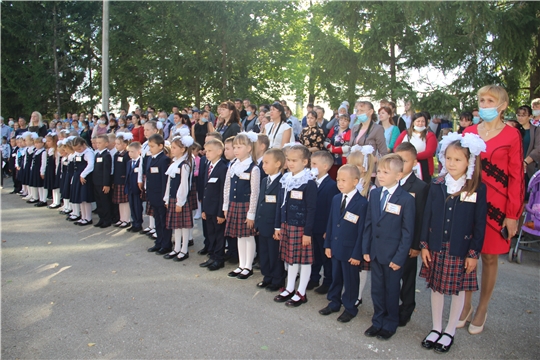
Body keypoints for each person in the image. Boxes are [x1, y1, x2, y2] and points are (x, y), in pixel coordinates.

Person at [461, 85, 524, 335]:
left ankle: (482, 307)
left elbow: (517, 176)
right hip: (468, 200)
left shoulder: (512, 136)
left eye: (490, 100)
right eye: (482, 100)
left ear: (503, 105)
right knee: (466, 252)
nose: (485, 105)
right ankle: (465, 304)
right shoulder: (468, 132)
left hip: (497, 206)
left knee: (488, 256)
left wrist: (513, 214)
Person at [420, 132, 487, 353]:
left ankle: (450, 330)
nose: (452, 163)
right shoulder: (437, 184)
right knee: (436, 288)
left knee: (457, 290)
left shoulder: (476, 187)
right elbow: (427, 216)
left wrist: (474, 253)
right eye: (448, 158)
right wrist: (424, 245)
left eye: (458, 159)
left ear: (469, 161)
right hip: (437, 247)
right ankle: (436, 327)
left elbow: (479, 224)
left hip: (461, 248)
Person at [362, 154, 415, 340]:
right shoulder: (375, 193)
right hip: (376, 252)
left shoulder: (406, 199)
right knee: (376, 289)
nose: (380, 175)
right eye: (379, 171)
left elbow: (407, 232)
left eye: (386, 172)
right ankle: (377, 320)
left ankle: (390, 322)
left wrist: (399, 257)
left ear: (398, 176)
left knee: (392, 290)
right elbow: (368, 223)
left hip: (393, 256)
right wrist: (366, 248)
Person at [320, 164, 368, 322]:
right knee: (336, 277)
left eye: (344, 180)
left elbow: (362, 231)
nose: (339, 183)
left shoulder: (362, 203)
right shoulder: (336, 198)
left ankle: (350, 307)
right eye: (338, 180)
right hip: (335, 247)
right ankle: (334, 302)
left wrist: (357, 254)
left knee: (350, 280)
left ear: (355, 181)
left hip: (350, 251)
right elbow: (331, 223)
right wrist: (327, 244)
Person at [273, 145, 317, 307]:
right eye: (288, 160)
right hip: (286, 225)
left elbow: (312, 209)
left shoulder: (308, 182)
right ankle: (290, 287)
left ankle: (302, 292)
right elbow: (280, 204)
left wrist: (307, 232)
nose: (290, 163)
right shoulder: (286, 179)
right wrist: (278, 226)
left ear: (305, 162)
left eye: (294, 160)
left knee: (304, 261)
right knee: (291, 259)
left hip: (301, 228)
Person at [394, 142, 429, 327]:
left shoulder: (421, 187)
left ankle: (406, 307)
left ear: (415, 163)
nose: (400, 164)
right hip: (390, 239)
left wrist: (416, 245)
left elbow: (421, 217)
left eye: (405, 161)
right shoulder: (388, 180)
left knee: (407, 277)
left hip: (408, 243)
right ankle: (390, 306)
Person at [223, 132, 261, 279]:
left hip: (246, 207)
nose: (236, 150)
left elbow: (255, 193)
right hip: (234, 204)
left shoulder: (254, 168)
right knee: (239, 236)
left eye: (240, 146)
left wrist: (251, 213)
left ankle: (248, 266)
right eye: (235, 147)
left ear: (249, 148)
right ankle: (241, 264)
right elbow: (227, 186)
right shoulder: (232, 165)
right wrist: (225, 206)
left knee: (248, 236)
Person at [308, 151, 340, 294]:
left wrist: (329, 230)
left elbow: (331, 210)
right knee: (313, 254)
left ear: (325, 166)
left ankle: (328, 281)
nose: (311, 166)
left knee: (325, 256)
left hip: (323, 227)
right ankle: (314, 277)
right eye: (311, 163)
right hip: (312, 225)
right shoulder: (311, 182)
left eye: (314, 164)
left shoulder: (331, 186)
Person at [255, 148, 286, 291]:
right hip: (263, 223)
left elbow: (281, 207)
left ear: (278, 163)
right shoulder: (264, 180)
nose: (263, 166)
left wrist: (278, 227)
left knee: (274, 254)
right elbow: (260, 201)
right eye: (263, 163)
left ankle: (277, 279)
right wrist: (257, 221)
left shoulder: (283, 182)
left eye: (267, 162)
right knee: (264, 253)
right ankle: (267, 276)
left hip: (273, 225)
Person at [162, 132, 195, 262]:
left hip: (180, 199)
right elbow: (169, 182)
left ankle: (184, 250)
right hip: (172, 198)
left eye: (175, 147)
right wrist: (166, 198)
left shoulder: (185, 164)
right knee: (176, 225)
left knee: (184, 226)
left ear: (183, 149)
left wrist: (180, 202)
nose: (172, 149)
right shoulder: (174, 163)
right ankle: (176, 248)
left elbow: (184, 184)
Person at [199, 138, 228, 270]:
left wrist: (221, 212)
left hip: (217, 210)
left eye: (210, 151)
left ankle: (219, 258)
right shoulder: (208, 166)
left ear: (219, 151)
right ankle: (212, 256)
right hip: (208, 208)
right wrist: (204, 209)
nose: (207, 153)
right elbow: (206, 189)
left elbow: (223, 192)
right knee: (210, 234)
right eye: (206, 151)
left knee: (219, 235)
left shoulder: (223, 168)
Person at [146, 133, 173, 254]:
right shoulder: (150, 159)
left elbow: (164, 181)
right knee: (157, 219)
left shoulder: (164, 160)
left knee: (164, 221)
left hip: (161, 196)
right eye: (149, 146)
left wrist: (164, 198)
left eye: (152, 146)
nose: (150, 148)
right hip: (153, 194)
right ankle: (159, 242)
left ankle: (166, 244)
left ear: (161, 146)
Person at [393, 112, 437, 182]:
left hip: (423, 166)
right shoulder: (405, 133)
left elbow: (429, 152)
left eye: (423, 121)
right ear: (413, 122)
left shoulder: (430, 135)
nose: (420, 123)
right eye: (418, 121)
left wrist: (411, 157)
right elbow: (396, 147)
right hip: (404, 164)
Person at [137, 120, 161, 237]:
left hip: (156, 178)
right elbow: (141, 163)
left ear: (155, 130)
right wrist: (140, 178)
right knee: (150, 203)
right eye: (144, 129)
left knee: (156, 204)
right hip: (148, 177)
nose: (145, 132)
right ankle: (151, 226)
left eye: (147, 129)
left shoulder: (162, 143)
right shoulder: (145, 145)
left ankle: (157, 227)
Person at [70, 137, 95, 226]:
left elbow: (91, 165)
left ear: (84, 145)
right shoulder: (77, 153)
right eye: (76, 149)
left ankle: (88, 218)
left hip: (85, 178)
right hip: (78, 177)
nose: (78, 151)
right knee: (80, 199)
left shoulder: (88, 152)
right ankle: (83, 217)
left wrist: (83, 174)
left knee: (85, 198)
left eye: (79, 149)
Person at [112, 133, 132, 228]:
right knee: (120, 201)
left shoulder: (126, 155)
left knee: (125, 201)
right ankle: (121, 218)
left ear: (124, 145)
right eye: (115, 144)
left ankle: (127, 219)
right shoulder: (116, 154)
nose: (116, 146)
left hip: (124, 180)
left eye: (118, 144)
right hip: (117, 180)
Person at [92, 135, 113, 228]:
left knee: (105, 202)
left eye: (100, 143)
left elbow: (106, 171)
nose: (98, 144)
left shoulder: (106, 155)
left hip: (103, 183)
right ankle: (101, 218)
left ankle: (107, 219)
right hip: (96, 182)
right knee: (99, 202)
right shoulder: (97, 154)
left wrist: (106, 184)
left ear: (106, 143)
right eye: (97, 143)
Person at [325, 114, 352, 180]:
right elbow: (327, 140)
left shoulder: (349, 131)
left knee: (341, 176)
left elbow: (347, 146)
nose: (342, 122)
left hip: (342, 158)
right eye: (341, 120)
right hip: (331, 157)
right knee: (331, 175)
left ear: (349, 122)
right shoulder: (334, 128)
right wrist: (329, 147)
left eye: (345, 121)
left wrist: (334, 149)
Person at [125, 142, 143, 233]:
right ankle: (134, 222)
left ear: (139, 151)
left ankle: (138, 224)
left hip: (137, 189)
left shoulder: (141, 162)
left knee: (137, 206)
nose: (130, 154)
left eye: (132, 152)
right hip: (130, 188)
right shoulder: (129, 163)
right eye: (129, 152)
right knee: (132, 206)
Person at [29, 136, 47, 207]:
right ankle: (40, 199)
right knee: (38, 185)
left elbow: (43, 162)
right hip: (34, 169)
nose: (36, 145)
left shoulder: (43, 152)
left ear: (42, 143)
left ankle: (44, 200)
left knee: (42, 185)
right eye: (35, 143)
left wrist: (42, 172)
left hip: (39, 169)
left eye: (38, 143)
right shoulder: (35, 151)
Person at [43, 134, 61, 208]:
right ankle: (54, 201)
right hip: (49, 170)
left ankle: (57, 201)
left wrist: (57, 172)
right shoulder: (49, 150)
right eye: (47, 141)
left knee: (56, 186)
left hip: (54, 170)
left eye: (49, 141)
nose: (47, 143)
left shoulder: (56, 151)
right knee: (53, 186)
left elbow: (57, 162)